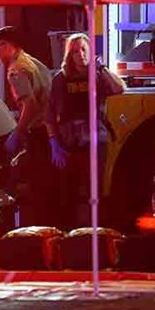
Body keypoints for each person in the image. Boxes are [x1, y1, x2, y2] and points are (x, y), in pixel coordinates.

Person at [46, 33, 125, 229]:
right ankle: (71, 232)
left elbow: (118, 88)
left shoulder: (98, 76)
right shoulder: (60, 80)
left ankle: (95, 230)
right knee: (69, 193)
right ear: (69, 56)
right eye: (75, 52)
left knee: (95, 190)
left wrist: (101, 68)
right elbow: (49, 114)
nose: (80, 55)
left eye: (83, 49)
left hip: (96, 141)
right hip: (69, 142)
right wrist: (53, 141)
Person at [0, 26, 53, 223]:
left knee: (36, 184)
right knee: (48, 183)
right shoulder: (33, 62)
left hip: (38, 131)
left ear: (12, 46)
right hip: (51, 129)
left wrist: (18, 132)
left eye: (1, 45)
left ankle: (37, 227)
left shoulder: (16, 70)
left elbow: (30, 104)